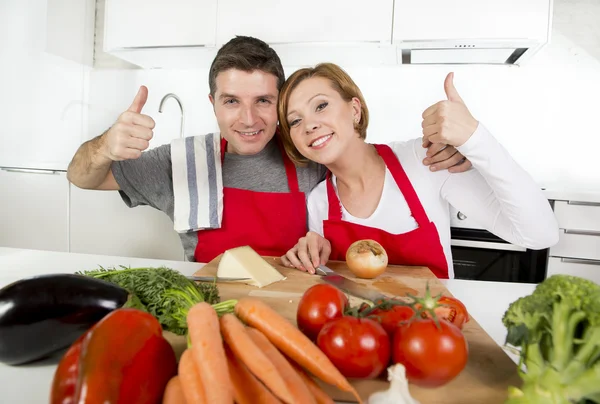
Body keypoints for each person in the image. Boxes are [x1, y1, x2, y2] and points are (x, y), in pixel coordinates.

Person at [66, 37, 472, 263]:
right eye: (231, 101)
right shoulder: (183, 163)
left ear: (280, 103)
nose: (248, 119)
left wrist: (451, 154)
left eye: (262, 101)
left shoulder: (309, 153)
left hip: (298, 319)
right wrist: (104, 146)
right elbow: (81, 177)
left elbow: (365, 162)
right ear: (212, 104)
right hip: (210, 319)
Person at [278, 63, 559, 279]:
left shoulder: (425, 162)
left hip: (433, 338)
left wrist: (474, 138)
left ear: (355, 110)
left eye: (321, 105)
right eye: (295, 120)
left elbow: (540, 235)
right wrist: (308, 256)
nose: (309, 125)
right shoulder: (318, 203)